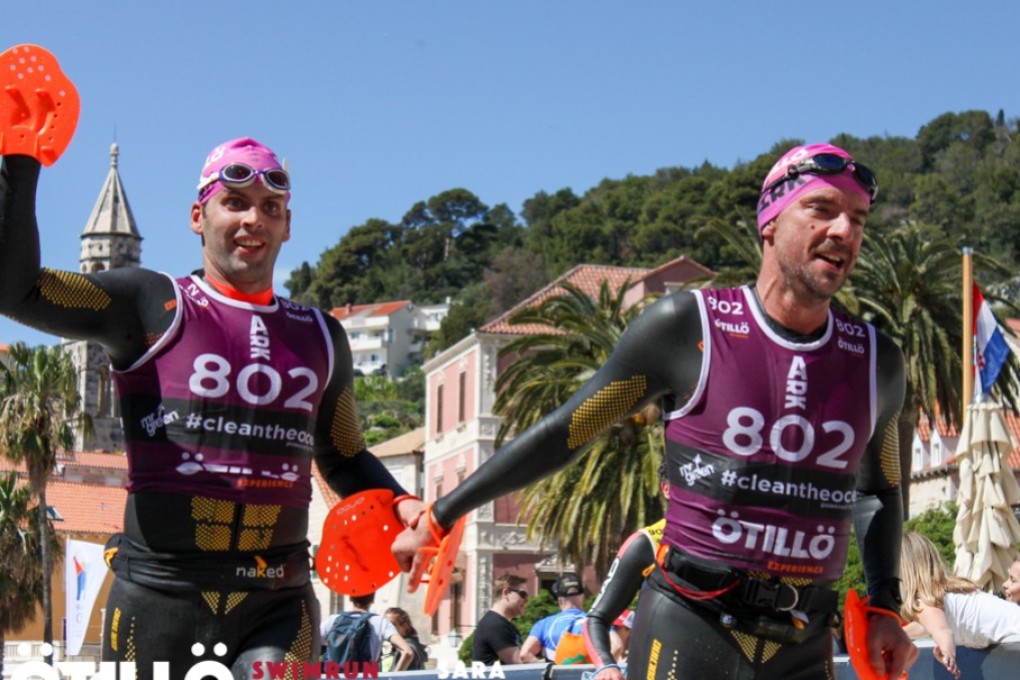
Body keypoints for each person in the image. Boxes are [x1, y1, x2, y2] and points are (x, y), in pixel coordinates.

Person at [395, 142, 918, 679]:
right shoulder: (688, 328)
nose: (844, 232)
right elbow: (569, 430)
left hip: (803, 637)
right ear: (770, 222)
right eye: (822, 209)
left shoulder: (877, 362)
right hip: (691, 621)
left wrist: (884, 606)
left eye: (857, 219)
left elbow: (878, 489)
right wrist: (441, 513)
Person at [0, 137, 425, 680]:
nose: (254, 219)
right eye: (236, 202)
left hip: (278, 603)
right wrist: (20, 159)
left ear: (287, 226)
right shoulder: (149, 304)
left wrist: (404, 507)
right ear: (198, 216)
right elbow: (18, 292)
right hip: (158, 596)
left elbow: (343, 457)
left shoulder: (323, 335)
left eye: (270, 208)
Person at [583, 461, 669, 668]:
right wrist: (606, 666)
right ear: (667, 489)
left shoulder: (745, 541)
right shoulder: (647, 542)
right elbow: (596, 618)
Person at [899, 532, 1020, 678]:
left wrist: (946, 651)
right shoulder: (939, 597)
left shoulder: (925, 602)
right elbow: (927, 625)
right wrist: (900, 634)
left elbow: (942, 630)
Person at [324, 593, 414, 671]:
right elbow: (408, 652)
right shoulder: (380, 622)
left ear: (350, 598)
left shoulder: (332, 620)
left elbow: (311, 647)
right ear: (372, 598)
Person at [521, 572, 586, 662]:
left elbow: (524, 654)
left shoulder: (544, 624)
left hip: (556, 675)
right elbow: (613, 648)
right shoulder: (597, 622)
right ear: (583, 597)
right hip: (589, 674)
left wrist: (545, 667)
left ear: (560, 600)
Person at [471, 574, 529, 665]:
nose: (526, 600)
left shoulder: (504, 624)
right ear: (506, 593)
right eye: (523, 594)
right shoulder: (494, 625)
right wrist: (546, 663)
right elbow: (518, 664)